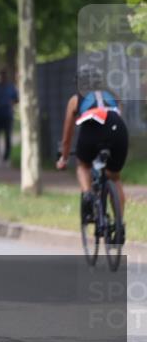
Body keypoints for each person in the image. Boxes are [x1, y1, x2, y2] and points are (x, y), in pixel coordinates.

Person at [55, 65, 128, 239]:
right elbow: (117, 116)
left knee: (83, 165)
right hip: (118, 130)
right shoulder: (113, 95)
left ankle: (88, 194)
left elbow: (67, 136)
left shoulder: (75, 99)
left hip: (92, 132)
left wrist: (63, 159)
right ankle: (119, 224)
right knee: (114, 177)